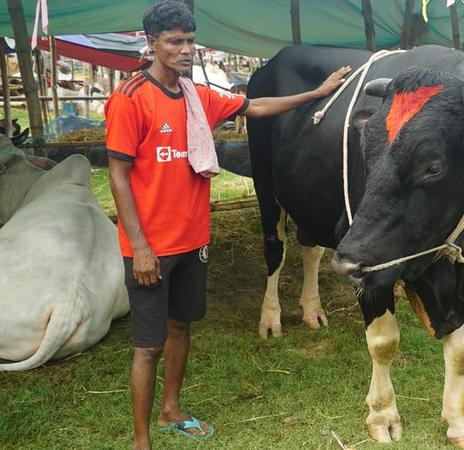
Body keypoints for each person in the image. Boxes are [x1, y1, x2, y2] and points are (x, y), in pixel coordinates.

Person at [104, 2, 350, 449]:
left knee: (181, 327)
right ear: (152, 44)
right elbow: (117, 174)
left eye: (190, 42)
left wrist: (315, 95)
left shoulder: (197, 96)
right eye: (174, 42)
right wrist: (139, 247)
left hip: (192, 239)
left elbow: (256, 106)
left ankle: (171, 411)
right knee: (147, 345)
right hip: (151, 246)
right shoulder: (130, 98)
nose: (184, 50)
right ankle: (141, 441)